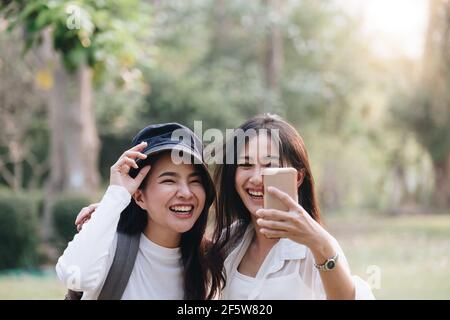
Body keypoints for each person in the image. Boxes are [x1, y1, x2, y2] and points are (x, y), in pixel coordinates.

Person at [208, 114, 375, 299]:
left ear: (297, 177)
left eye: (269, 165)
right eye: (245, 164)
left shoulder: (317, 247)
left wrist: (321, 244)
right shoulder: (229, 241)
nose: (256, 178)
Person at [56, 123, 223, 300]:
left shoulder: (209, 261)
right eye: (169, 181)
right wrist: (114, 199)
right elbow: (75, 277)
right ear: (139, 197)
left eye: (195, 181)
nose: (185, 193)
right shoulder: (110, 246)